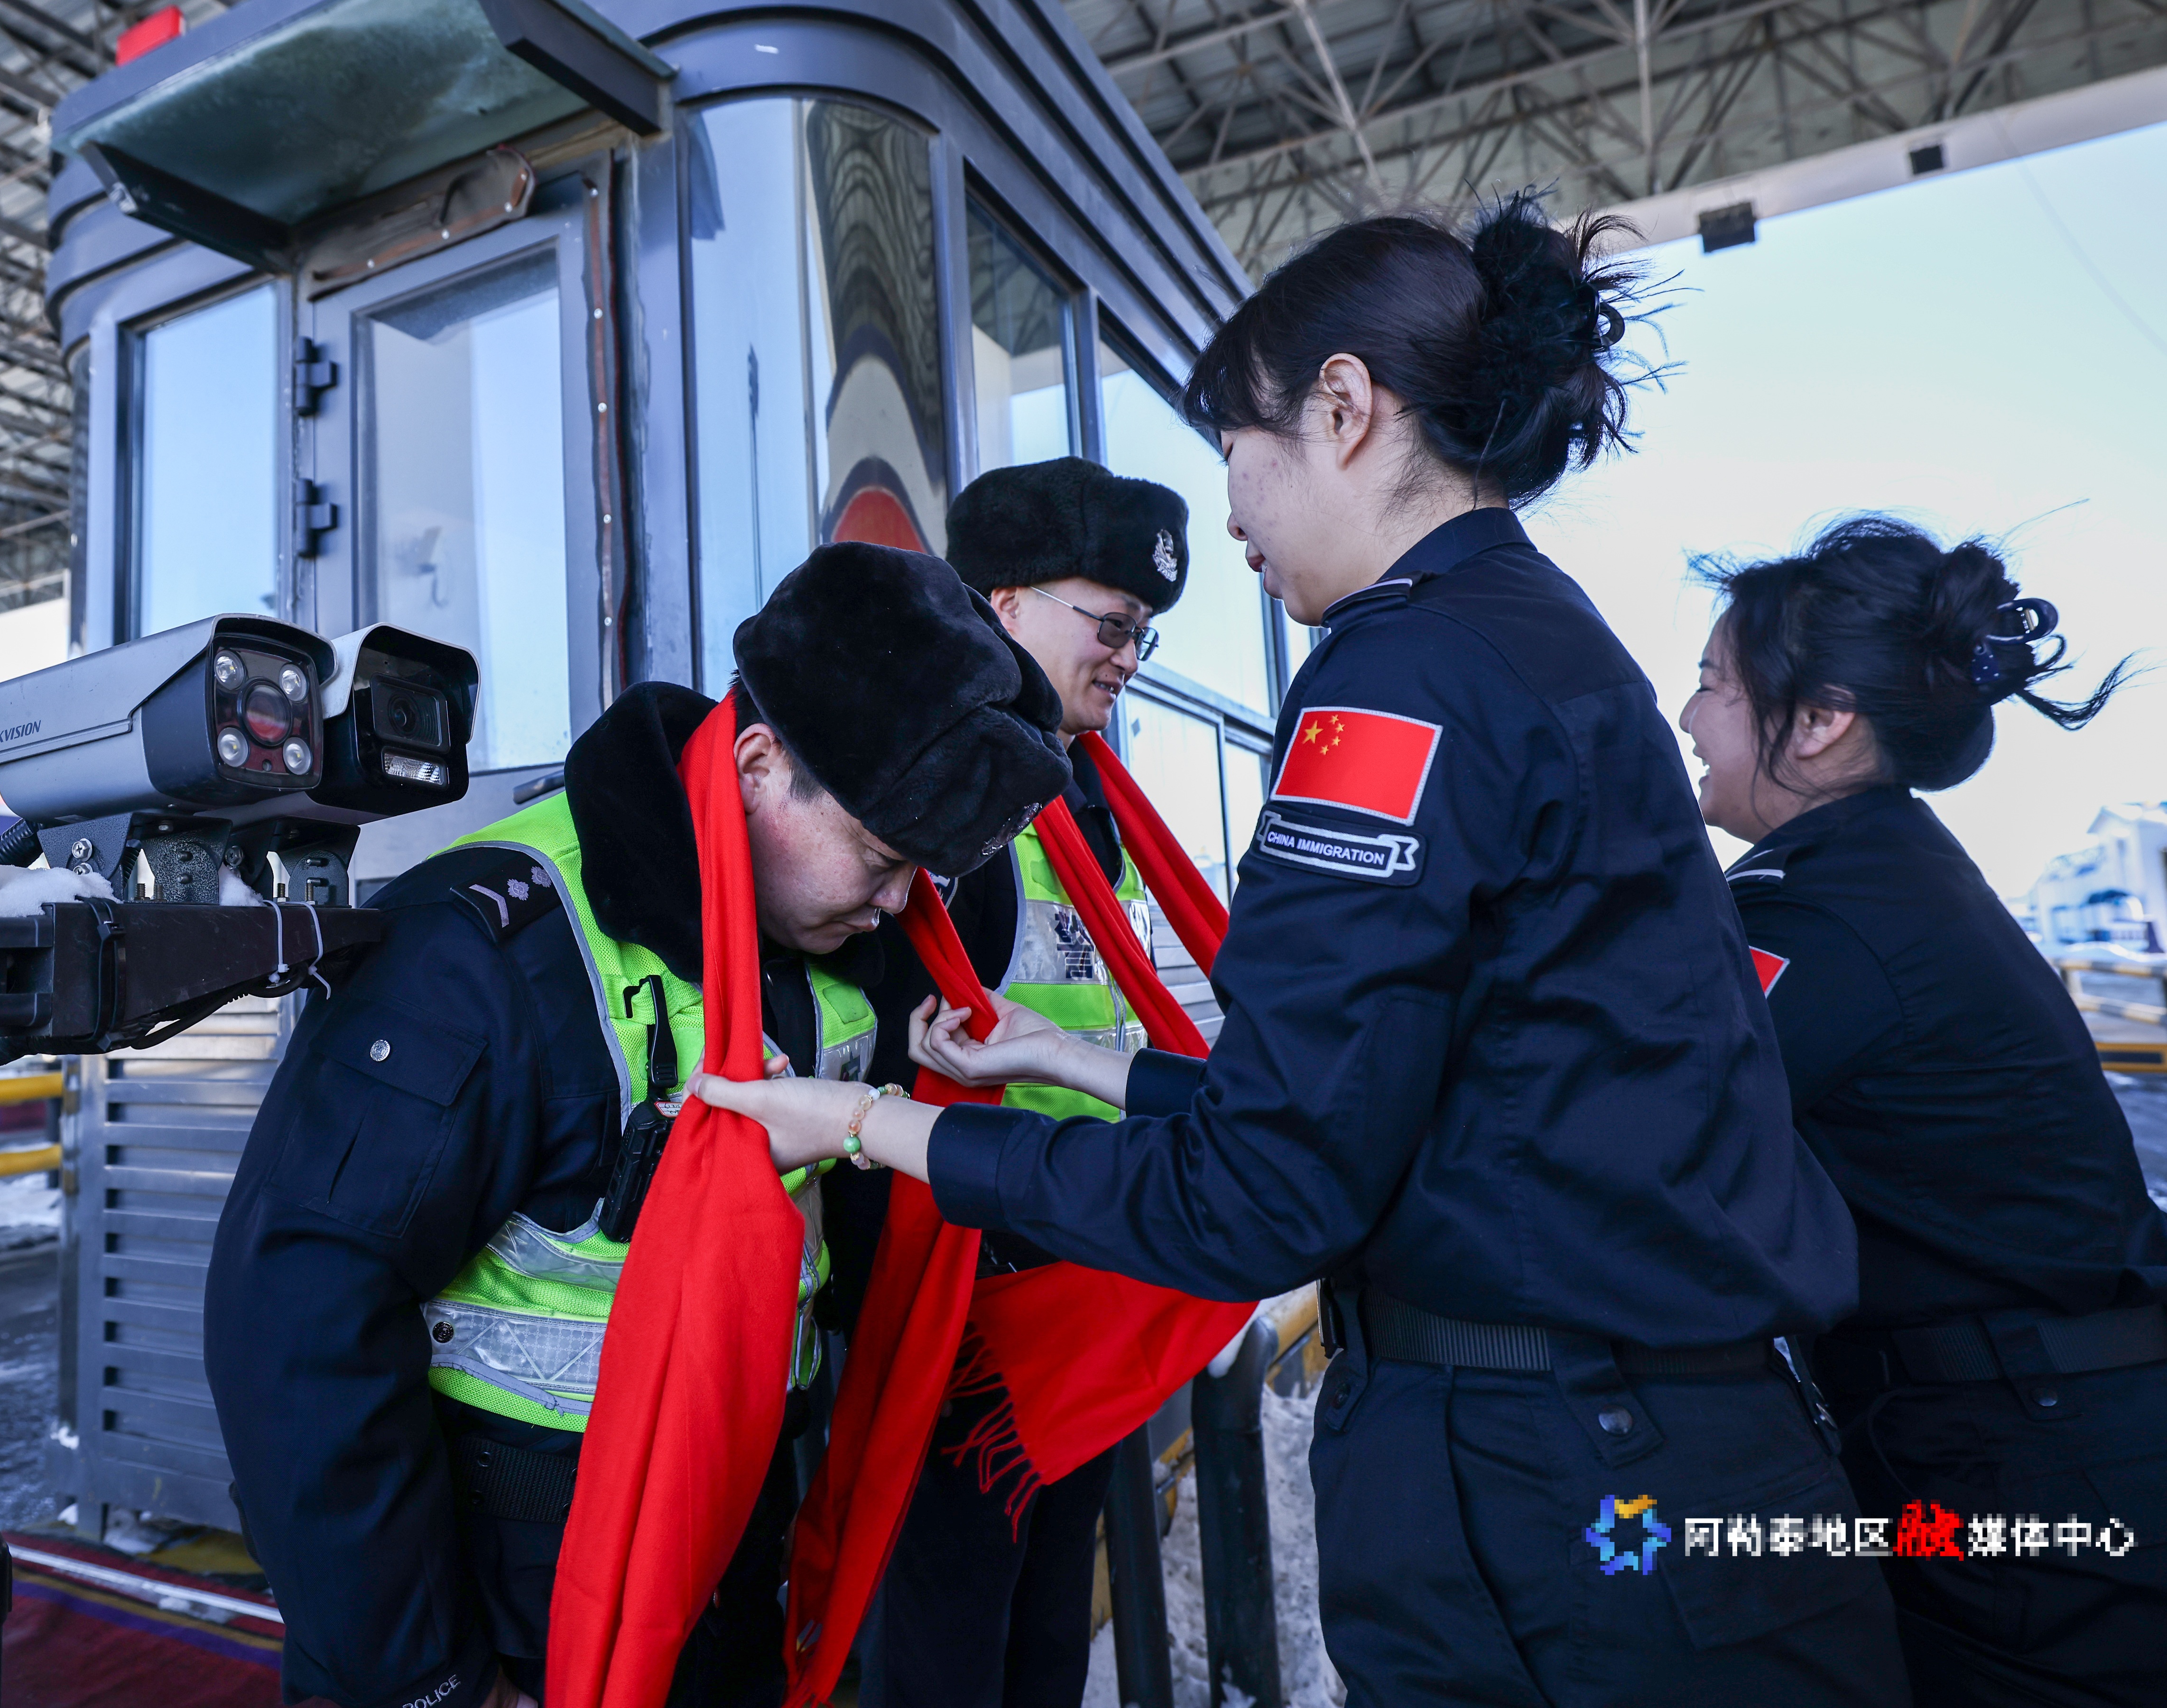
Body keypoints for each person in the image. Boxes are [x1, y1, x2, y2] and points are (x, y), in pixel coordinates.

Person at [697, 195, 1911, 1703]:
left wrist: (869, 1123)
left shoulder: (1399, 682)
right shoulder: (1527, 630)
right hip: (1657, 1441)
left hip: (1554, 1481)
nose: (1231, 516)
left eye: (1236, 449)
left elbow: (1267, 1190)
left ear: (1344, 410)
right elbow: (1414, 1095)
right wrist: (1078, 1061)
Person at [201, 541, 1067, 1708]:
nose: (901, 904)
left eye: (923, 873)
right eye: (880, 858)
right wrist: (431, 1680)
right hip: (504, 1606)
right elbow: (295, 1322)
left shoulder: (835, 942)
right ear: (757, 765)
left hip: (722, 1571)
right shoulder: (492, 949)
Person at [1678, 517, 2164, 1706]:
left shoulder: (1830, 918)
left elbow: (1640, 1131)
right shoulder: (1883, 873)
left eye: (1714, 685)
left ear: (1821, 719)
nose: (1688, 717)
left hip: (2026, 1451)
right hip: (2045, 1423)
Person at [840, 456, 1188, 1708]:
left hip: (1082, 1277)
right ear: (1004, 604)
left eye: (1142, 635)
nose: (1128, 659)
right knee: (949, 1644)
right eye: (1112, 625)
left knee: (1045, 1636)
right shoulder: (942, 797)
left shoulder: (1092, 798)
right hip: (966, 1300)